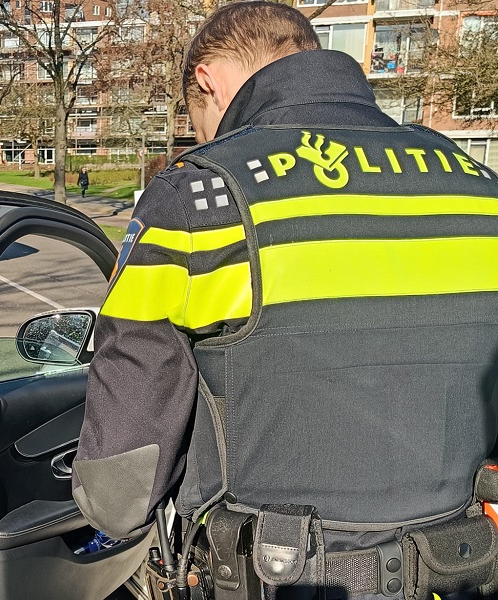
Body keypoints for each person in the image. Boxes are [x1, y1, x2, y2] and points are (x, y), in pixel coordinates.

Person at [71, 2, 498, 598]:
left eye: (199, 121)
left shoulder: (198, 198)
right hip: (460, 573)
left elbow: (120, 489)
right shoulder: (480, 190)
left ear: (208, 81)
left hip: (274, 580)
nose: (206, 137)